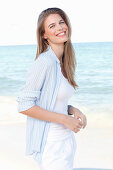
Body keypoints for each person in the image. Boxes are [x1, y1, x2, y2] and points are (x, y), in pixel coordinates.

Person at [17, 7, 87, 170]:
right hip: (51, 143)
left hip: (66, 140)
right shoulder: (45, 62)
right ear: (44, 35)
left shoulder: (62, 62)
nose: (60, 28)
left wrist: (72, 110)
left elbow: (51, 101)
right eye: (52, 26)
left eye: (61, 22)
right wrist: (64, 119)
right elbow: (24, 105)